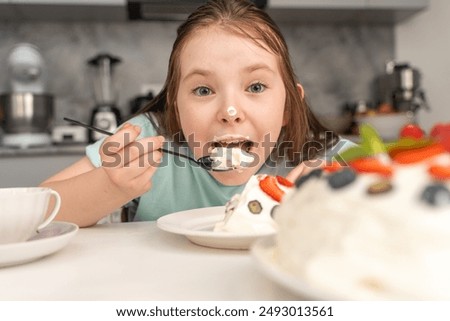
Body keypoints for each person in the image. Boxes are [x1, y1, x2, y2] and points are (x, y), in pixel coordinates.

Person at [40, 0, 349, 227]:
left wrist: (350, 190)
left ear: (289, 106)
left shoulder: (319, 158)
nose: (230, 112)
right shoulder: (147, 140)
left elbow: (394, 182)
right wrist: (109, 186)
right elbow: (36, 211)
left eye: (255, 87)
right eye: (203, 90)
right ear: (176, 105)